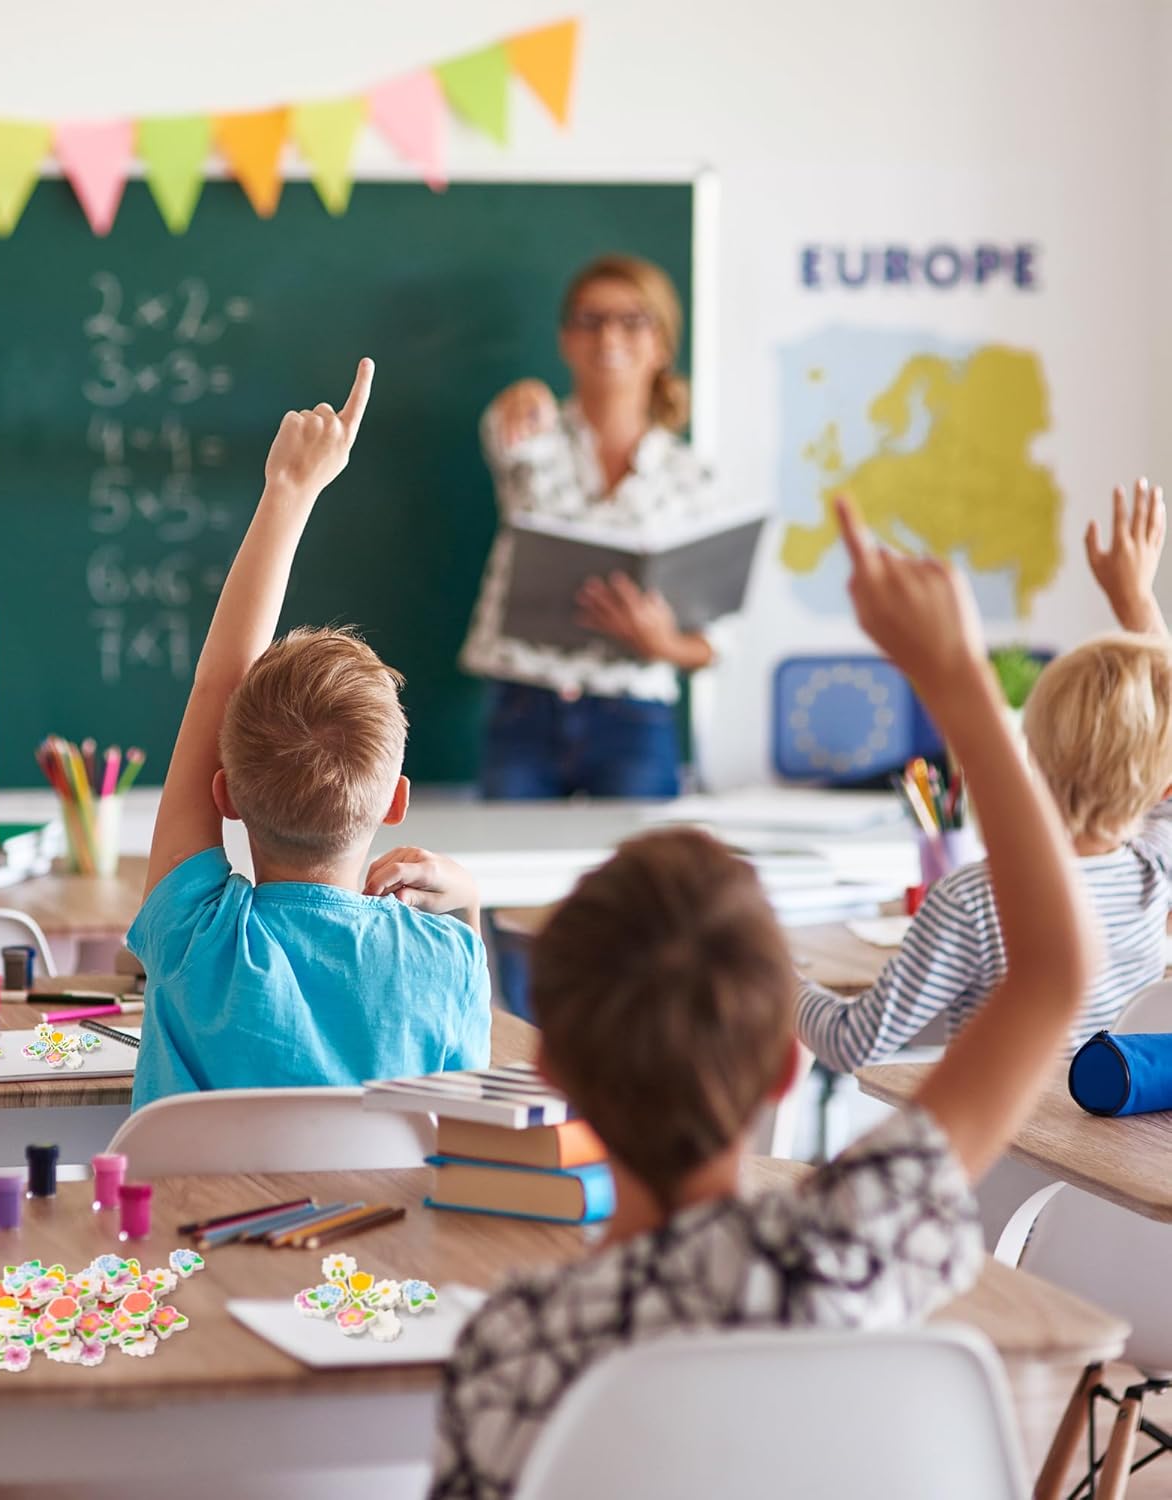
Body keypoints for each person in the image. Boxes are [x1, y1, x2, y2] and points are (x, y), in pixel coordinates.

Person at [429, 498, 1097, 1499]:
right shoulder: (852, 1246)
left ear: (552, 1072)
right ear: (787, 1062)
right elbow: (1055, 970)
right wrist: (957, 678)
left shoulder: (516, 1347)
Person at [127, 359, 491, 1106]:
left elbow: (215, 685)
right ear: (395, 800)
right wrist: (468, 907)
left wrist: (288, 491)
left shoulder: (197, 941)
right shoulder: (445, 961)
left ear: (225, 795)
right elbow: (462, 1120)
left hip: (191, 1193)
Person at [798, 479, 1172, 1072]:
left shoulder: (974, 899)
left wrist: (780, 979)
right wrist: (1137, 599)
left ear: (1031, 752)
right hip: (1103, 1132)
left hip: (995, 1128)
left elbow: (852, 1042)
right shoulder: (1154, 870)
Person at [460, 253, 730, 801]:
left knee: (642, 860)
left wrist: (663, 643)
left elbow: (715, 643)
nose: (609, 336)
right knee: (509, 856)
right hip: (524, 704)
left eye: (632, 320)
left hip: (634, 716)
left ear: (662, 343)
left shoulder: (691, 476)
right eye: (591, 320)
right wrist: (521, 396)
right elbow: (502, 431)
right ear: (566, 339)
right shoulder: (531, 432)